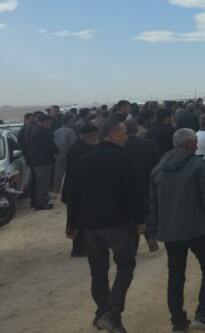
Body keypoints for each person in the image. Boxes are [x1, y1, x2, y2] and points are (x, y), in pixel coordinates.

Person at [65, 119, 145, 333]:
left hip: (90, 226)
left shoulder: (83, 160)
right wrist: (140, 219)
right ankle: (113, 312)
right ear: (112, 134)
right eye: (123, 133)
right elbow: (133, 192)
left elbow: (74, 194)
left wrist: (72, 223)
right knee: (126, 265)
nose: (126, 137)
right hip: (118, 223)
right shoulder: (124, 158)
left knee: (98, 271)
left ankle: (102, 312)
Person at [149, 129, 205, 331]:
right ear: (189, 144)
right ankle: (203, 313)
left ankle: (178, 320)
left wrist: (155, 229)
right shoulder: (199, 165)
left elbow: (152, 203)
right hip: (198, 228)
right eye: (195, 141)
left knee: (175, 274)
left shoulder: (157, 169)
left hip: (171, 231)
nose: (197, 144)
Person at [123, 117, 162, 254]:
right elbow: (159, 164)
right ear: (136, 129)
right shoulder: (149, 143)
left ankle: (132, 245)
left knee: (131, 213)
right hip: (147, 182)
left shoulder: (121, 146)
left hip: (127, 185)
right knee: (147, 211)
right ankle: (150, 236)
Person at [62, 122, 99, 257]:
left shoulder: (81, 147)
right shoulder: (78, 150)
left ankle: (82, 246)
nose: (95, 138)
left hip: (76, 188)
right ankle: (78, 248)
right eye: (93, 135)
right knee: (79, 219)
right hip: (76, 189)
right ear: (84, 135)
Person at [28, 113, 58, 209]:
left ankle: (44, 201)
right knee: (42, 183)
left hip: (44, 160)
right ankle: (40, 204)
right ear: (43, 122)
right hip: (41, 161)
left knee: (44, 182)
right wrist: (56, 151)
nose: (50, 124)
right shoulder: (38, 132)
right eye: (49, 122)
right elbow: (46, 145)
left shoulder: (41, 130)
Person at [52, 113, 77, 192]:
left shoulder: (57, 131)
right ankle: (69, 188)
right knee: (70, 172)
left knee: (58, 173)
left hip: (57, 154)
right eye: (73, 121)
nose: (74, 123)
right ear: (69, 121)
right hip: (67, 154)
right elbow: (74, 144)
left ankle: (56, 188)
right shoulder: (71, 131)